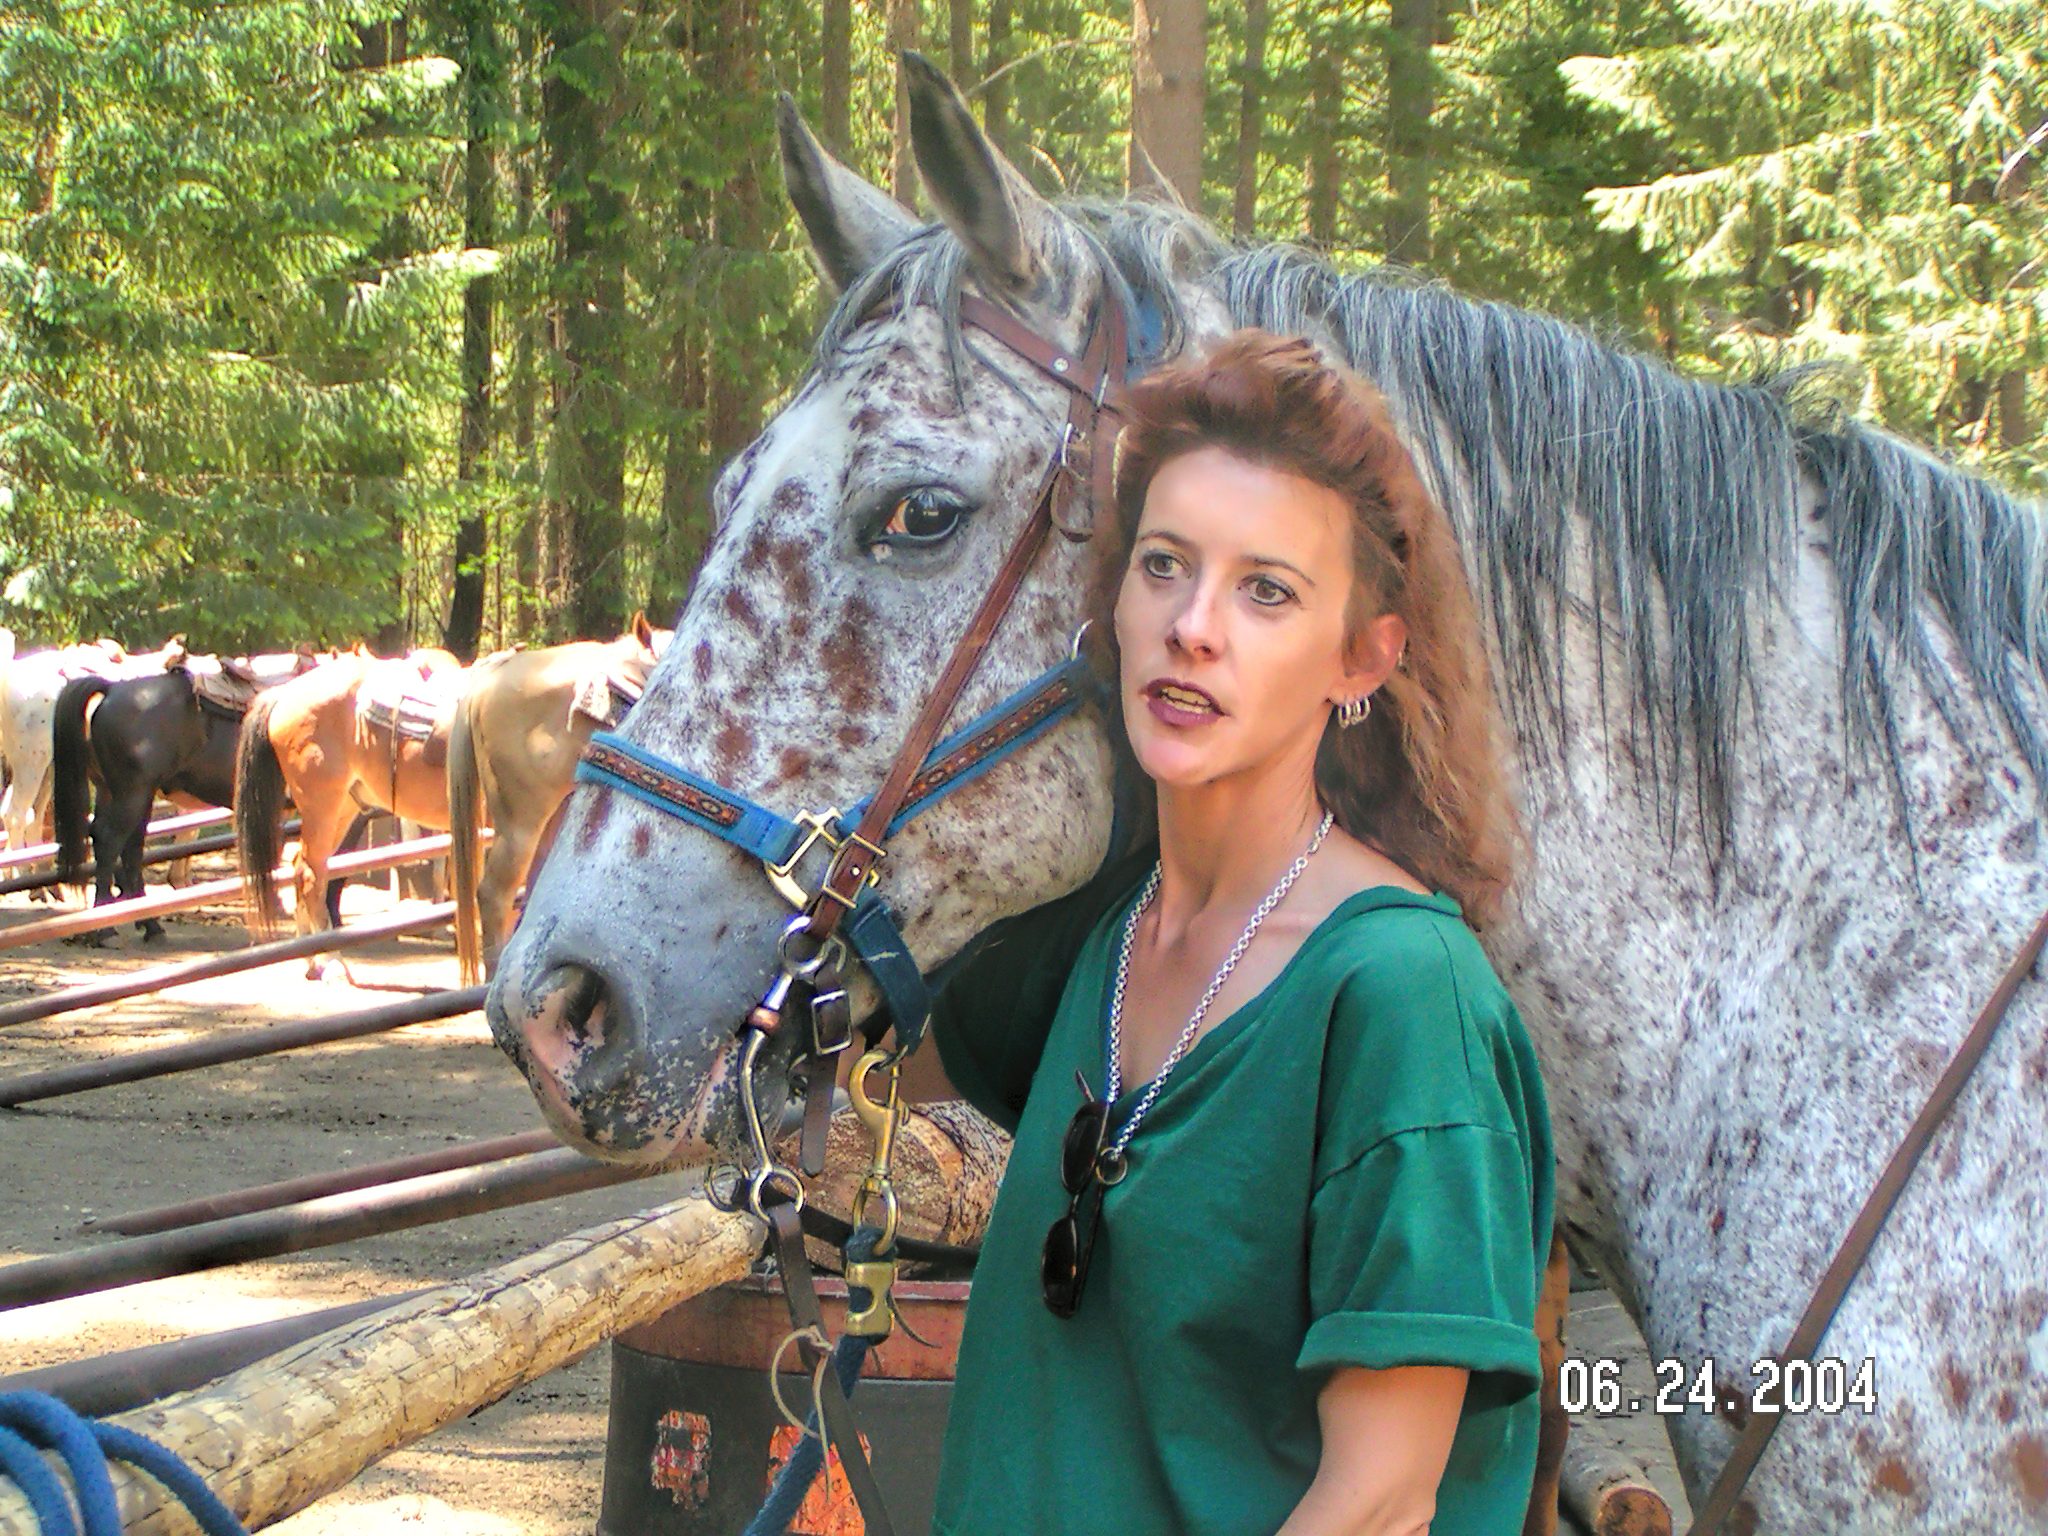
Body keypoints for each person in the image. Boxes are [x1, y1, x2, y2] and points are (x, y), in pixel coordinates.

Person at [923, 330, 1555, 1535]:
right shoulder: (1092, 942)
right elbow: (828, 1068)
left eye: (1266, 591)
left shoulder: (1400, 995)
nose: (1193, 625)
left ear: (1360, 658)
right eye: (1162, 565)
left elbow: (1377, 1502)